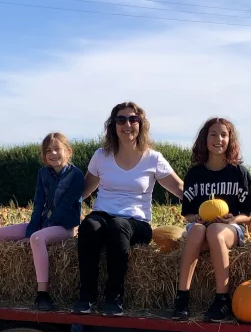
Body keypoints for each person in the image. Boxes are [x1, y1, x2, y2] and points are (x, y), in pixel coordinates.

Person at [74, 102, 184, 316]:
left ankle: (114, 296)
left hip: (137, 222)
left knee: (118, 226)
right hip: (103, 216)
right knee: (88, 226)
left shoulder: (153, 158)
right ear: (113, 125)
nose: (127, 124)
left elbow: (179, 187)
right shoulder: (101, 156)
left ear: (141, 125)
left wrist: (204, 204)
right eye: (121, 119)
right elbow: (84, 190)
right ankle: (86, 295)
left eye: (133, 119)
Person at [0, 132, 83, 311]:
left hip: (64, 226)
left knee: (37, 239)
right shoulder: (43, 173)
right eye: (48, 150)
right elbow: (38, 204)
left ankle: (42, 294)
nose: (53, 153)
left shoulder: (76, 175)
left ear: (68, 151)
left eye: (57, 149)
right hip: (43, 223)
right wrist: (31, 230)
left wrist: (36, 234)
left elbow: (65, 206)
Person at [172, 117, 251, 322]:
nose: (219, 139)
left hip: (228, 229)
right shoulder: (195, 174)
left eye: (224, 135)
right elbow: (187, 213)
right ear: (204, 139)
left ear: (230, 139)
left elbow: (247, 215)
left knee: (215, 230)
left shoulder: (239, 173)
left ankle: (222, 299)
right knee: (198, 230)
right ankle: (182, 297)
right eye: (213, 134)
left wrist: (232, 220)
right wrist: (197, 218)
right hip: (201, 229)